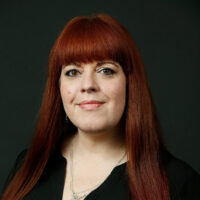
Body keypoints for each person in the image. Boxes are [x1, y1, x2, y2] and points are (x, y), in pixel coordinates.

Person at [1, 13, 200, 200]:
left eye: (106, 70)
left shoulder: (178, 182)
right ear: (58, 87)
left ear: (130, 84)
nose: (88, 85)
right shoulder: (28, 165)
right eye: (72, 72)